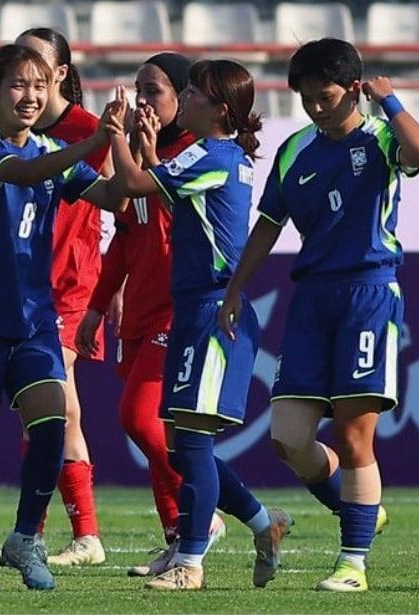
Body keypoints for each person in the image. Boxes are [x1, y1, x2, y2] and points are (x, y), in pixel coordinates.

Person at [218, 38, 419, 592]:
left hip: (367, 294)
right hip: (312, 300)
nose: (316, 106)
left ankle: (353, 564)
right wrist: (237, 287)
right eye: (307, 97)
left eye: (326, 95)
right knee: (287, 437)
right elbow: (268, 223)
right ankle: (359, 507)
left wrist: (392, 102)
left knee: (355, 436)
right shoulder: (295, 152)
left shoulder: (383, 136)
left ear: (354, 89)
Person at [0, 44, 127, 592]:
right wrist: (94, 139)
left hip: (34, 321)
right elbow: (24, 173)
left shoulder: (49, 149)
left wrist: (133, 143)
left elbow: (114, 196)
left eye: (39, 86)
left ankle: (22, 538)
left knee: (51, 424)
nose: (30, 96)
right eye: (18, 85)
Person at [105, 60, 292, 592]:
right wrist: (139, 149)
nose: (183, 99)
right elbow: (161, 193)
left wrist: (116, 136)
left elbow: (136, 185)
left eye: (191, 92)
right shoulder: (213, 156)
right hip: (194, 308)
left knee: (187, 441)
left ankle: (191, 560)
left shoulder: (211, 155)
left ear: (220, 109)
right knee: (188, 444)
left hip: (213, 310)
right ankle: (263, 523)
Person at [77, 52, 227, 578]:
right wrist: (98, 306)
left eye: (154, 91)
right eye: (138, 88)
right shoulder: (147, 157)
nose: (143, 100)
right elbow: (124, 237)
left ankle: (208, 517)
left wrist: (128, 145)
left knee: (139, 419)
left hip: (178, 310)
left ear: (184, 98)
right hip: (137, 312)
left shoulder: (191, 155)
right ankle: (179, 537)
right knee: (155, 427)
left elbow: (159, 205)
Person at [12, 26, 109, 568]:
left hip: (70, 287)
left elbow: (116, 203)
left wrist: (111, 286)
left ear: (61, 74)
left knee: (60, 404)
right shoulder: (11, 131)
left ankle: (86, 535)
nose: (26, 72)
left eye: (37, 62)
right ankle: (35, 532)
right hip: (25, 289)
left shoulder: (87, 130)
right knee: (41, 407)